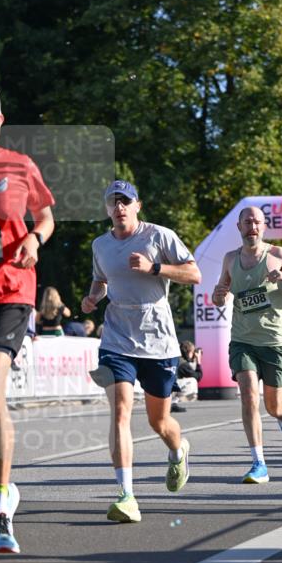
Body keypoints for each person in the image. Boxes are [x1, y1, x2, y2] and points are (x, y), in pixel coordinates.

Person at [0, 82, 55, 553]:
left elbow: (46, 217)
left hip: (11, 292)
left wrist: (35, 239)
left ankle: (0, 511)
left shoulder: (19, 166)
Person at [82, 180, 201, 522]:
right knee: (120, 410)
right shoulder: (100, 245)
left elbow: (194, 274)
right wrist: (92, 297)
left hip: (157, 340)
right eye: (113, 202)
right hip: (117, 337)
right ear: (107, 209)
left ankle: (178, 451)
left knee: (158, 421)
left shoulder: (159, 236)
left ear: (138, 205)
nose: (119, 207)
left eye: (125, 201)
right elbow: (101, 280)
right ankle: (126, 495)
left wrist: (155, 268)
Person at [211, 205, 282, 483]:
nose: (252, 227)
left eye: (257, 222)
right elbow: (219, 295)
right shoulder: (229, 258)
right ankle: (259, 462)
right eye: (247, 222)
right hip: (243, 341)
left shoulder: (278, 255)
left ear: (264, 226)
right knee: (248, 396)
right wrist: (219, 295)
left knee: (273, 405)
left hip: (274, 342)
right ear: (239, 227)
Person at [171, 340, 202, 412]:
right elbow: (198, 377)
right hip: (170, 387)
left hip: (167, 385)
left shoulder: (178, 359)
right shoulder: (182, 364)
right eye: (192, 352)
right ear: (188, 352)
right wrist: (199, 362)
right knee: (192, 381)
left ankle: (173, 403)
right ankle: (174, 402)